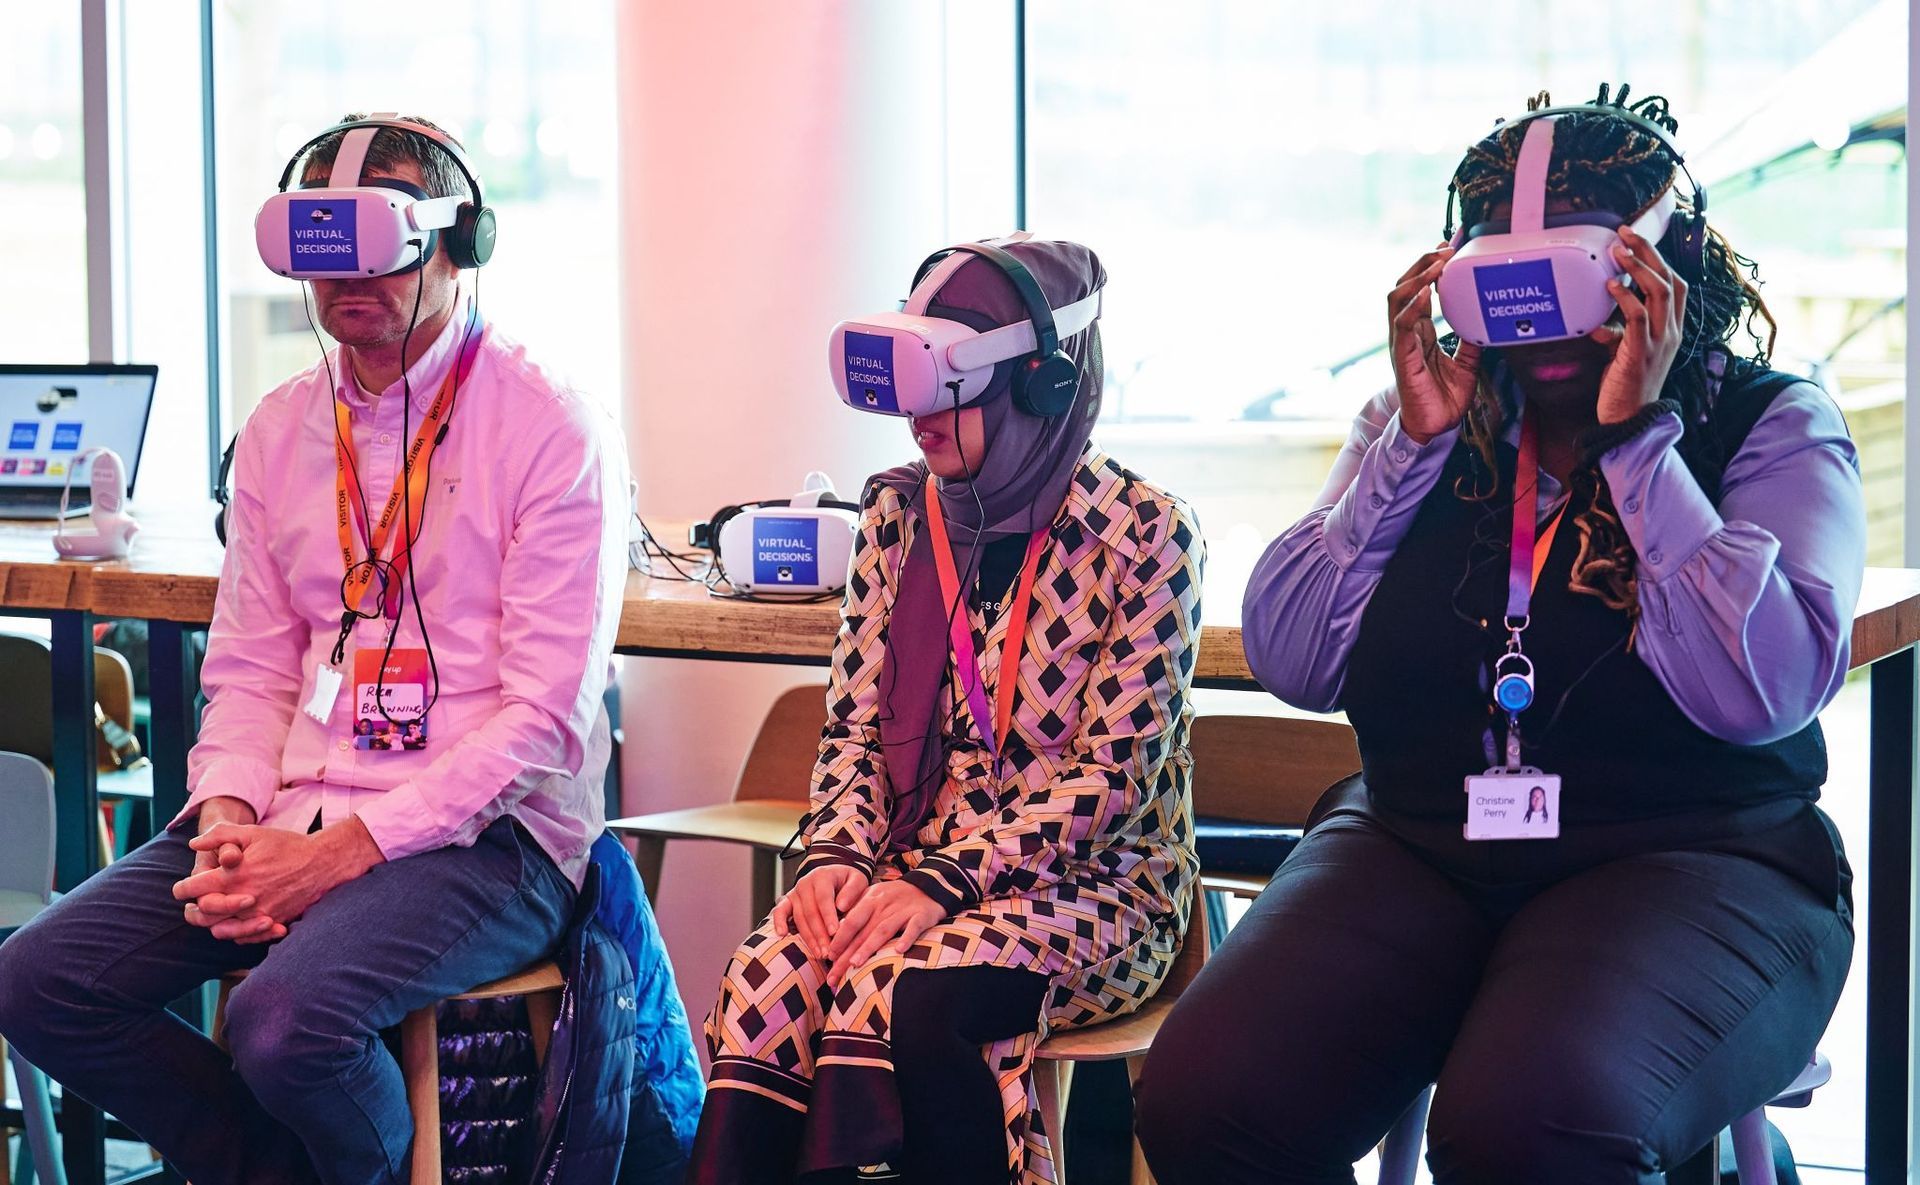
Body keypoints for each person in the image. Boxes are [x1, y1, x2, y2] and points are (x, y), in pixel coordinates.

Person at [1135, 87, 1862, 1185]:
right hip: (1422, 842)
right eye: (1506, 288)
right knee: (1207, 1096)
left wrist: (1638, 448)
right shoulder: (1426, 425)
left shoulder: (1771, 424)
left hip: (1697, 853)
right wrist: (1407, 453)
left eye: (1587, 281)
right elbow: (1292, 658)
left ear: (1669, 272)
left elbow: (1761, 690)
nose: (1549, 327)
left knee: (1533, 1124)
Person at [0, 114, 634, 1185]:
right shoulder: (280, 432)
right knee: (39, 980)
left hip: (493, 841)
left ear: (456, 245)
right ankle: (269, 1169)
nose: (347, 283)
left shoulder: (550, 427)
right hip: (292, 812)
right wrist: (232, 819)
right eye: (317, 251)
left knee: (286, 1024)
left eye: (377, 247)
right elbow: (248, 671)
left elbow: (542, 721)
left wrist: (335, 858)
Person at [688, 237, 1204, 1184]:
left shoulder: (1145, 535)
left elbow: (1110, 778)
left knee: (905, 991)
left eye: (948, 385)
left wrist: (947, 884)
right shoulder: (898, 516)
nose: (918, 416)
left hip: (1097, 887)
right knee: (771, 974)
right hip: (908, 867)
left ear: (1041, 388)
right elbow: (850, 728)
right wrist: (836, 859)